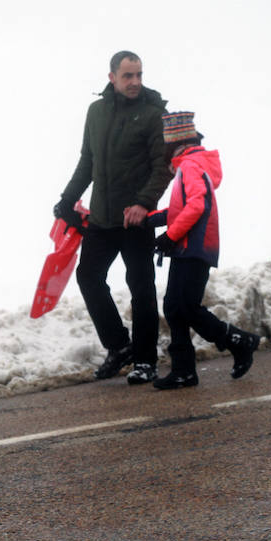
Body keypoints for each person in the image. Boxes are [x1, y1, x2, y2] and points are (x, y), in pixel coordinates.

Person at [55, 51, 172, 384]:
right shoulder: (96, 112)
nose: (135, 82)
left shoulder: (153, 115)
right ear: (112, 78)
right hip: (102, 218)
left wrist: (143, 203)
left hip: (135, 220)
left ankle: (146, 359)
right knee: (89, 277)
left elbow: (162, 167)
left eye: (138, 75)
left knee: (141, 287)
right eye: (127, 76)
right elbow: (87, 162)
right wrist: (67, 199)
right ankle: (120, 346)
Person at [146, 111, 260, 390]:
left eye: (165, 144)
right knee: (174, 307)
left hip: (193, 248)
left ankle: (238, 340)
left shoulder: (190, 166)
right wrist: (151, 219)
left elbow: (197, 206)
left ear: (174, 144)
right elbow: (180, 208)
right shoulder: (191, 165)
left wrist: (170, 236)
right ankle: (183, 371)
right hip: (188, 248)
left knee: (185, 307)